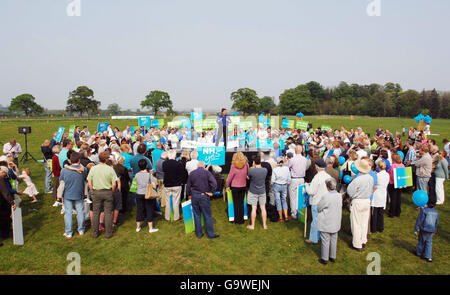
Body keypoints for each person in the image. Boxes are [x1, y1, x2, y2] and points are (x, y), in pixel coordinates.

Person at [87, 151, 118, 239]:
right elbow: (114, 183)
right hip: (107, 191)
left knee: (96, 212)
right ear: (106, 159)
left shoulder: (93, 168)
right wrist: (111, 192)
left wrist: (92, 190)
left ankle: (95, 233)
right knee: (108, 213)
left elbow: (89, 182)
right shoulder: (110, 169)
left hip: (96, 192)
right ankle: (108, 233)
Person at [186, 161, 219, 239]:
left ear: (197, 166)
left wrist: (189, 195)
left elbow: (188, 186)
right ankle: (210, 234)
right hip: (204, 195)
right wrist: (212, 192)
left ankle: (199, 234)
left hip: (194, 196)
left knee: (196, 215)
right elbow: (214, 183)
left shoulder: (192, 173)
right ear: (204, 166)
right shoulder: (207, 173)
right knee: (207, 215)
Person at [347, 159, 374, 251]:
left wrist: (354, 196)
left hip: (358, 201)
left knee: (356, 223)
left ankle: (357, 244)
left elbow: (350, 191)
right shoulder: (370, 178)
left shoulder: (357, 179)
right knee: (364, 222)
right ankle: (363, 240)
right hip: (366, 201)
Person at [59, 152, 87, 238]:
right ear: (79, 160)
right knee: (80, 212)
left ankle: (69, 232)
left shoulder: (64, 170)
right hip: (79, 193)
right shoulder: (83, 170)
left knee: (68, 213)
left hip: (68, 194)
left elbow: (61, 180)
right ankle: (81, 229)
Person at [305, 159, 331, 244]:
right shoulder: (328, 176)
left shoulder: (317, 177)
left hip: (317, 201)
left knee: (315, 221)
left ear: (316, 167)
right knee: (322, 221)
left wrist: (306, 186)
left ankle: (313, 239)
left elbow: (311, 191)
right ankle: (320, 236)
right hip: (325, 201)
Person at [317, 178, 342, 265]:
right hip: (335, 221)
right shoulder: (339, 195)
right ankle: (332, 256)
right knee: (334, 239)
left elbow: (319, 207)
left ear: (327, 187)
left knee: (325, 240)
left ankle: (324, 258)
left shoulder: (326, 196)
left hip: (326, 221)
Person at [134, 159, 159, 233]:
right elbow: (154, 186)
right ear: (146, 166)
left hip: (139, 194)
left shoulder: (136, 175)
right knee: (149, 210)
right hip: (148, 194)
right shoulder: (149, 175)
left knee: (139, 210)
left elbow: (134, 186)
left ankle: (138, 227)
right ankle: (150, 228)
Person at [287, 145, 310, 220]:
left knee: (293, 197)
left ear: (295, 151)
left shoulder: (293, 160)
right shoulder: (305, 159)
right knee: (300, 196)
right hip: (301, 179)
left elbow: (287, 167)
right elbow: (306, 168)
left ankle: (294, 214)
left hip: (294, 179)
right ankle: (298, 212)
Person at [226, 152, 249, 224]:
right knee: (241, 203)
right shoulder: (246, 165)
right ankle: (241, 219)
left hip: (235, 187)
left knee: (236, 203)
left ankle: (237, 219)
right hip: (243, 186)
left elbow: (229, 177)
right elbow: (247, 174)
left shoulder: (233, 166)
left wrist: (227, 186)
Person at [162, 150, 185, 221]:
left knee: (168, 201)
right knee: (176, 202)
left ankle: (167, 217)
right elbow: (182, 174)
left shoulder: (164, 163)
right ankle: (176, 217)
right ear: (175, 156)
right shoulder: (178, 164)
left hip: (167, 184)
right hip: (176, 185)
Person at [246, 155, 268, 230]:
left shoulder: (251, 170)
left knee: (253, 208)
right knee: (263, 208)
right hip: (262, 191)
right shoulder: (265, 170)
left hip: (253, 191)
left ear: (254, 162)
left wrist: (253, 166)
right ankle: (264, 225)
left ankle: (252, 225)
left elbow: (248, 178)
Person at [0, 166, 17, 247]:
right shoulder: (0, 179)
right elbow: (5, 192)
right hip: (1, 203)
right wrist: (12, 202)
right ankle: (5, 234)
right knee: (4, 218)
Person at [271, 157, 291, 222]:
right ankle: (286, 216)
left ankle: (280, 217)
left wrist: (272, 184)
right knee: (284, 200)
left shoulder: (275, 170)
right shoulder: (287, 169)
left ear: (277, 162)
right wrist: (286, 183)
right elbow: (289, 179)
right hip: (284, 185)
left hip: (276, 185)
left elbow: (272, 180)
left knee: (278, 201)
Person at [371, 161, 389, 233]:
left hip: (377, 193)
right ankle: (380, 227)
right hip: (383, 192)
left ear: (378, 167)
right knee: (381, 211)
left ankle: (374, 228)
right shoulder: (387, 175)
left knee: (375, 211)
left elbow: (374, 184)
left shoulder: (377, 175)